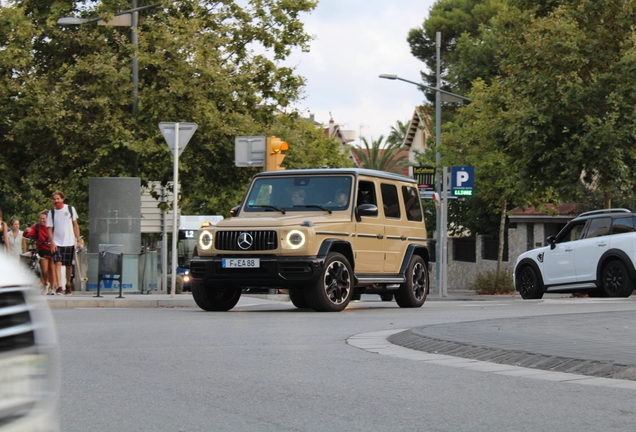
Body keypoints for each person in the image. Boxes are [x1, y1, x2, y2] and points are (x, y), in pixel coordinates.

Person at [47, 191, 81, 295]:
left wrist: (78, 238)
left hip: (69, 241)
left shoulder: (70, 209)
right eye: (54, 199)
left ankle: (67, 284)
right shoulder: (51, 213)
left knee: (68, 265)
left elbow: (75, 225)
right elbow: (49, 228)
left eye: (58, 199)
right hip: (57, 242)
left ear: (62, 199)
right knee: (57, 263)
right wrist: (52, 242)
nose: (56, 201)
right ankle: (59, 286)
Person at [24, 210, 57, 293]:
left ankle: (52, 288)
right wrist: (26, 231)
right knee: (44, 270)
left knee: (52, 269)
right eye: (40, 218)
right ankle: (45, 283)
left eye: (44, 219)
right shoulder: (37, 226)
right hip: (42, 249)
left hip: (53, 249)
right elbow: (27, 235)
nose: (42, 220)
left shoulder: (52, 226)